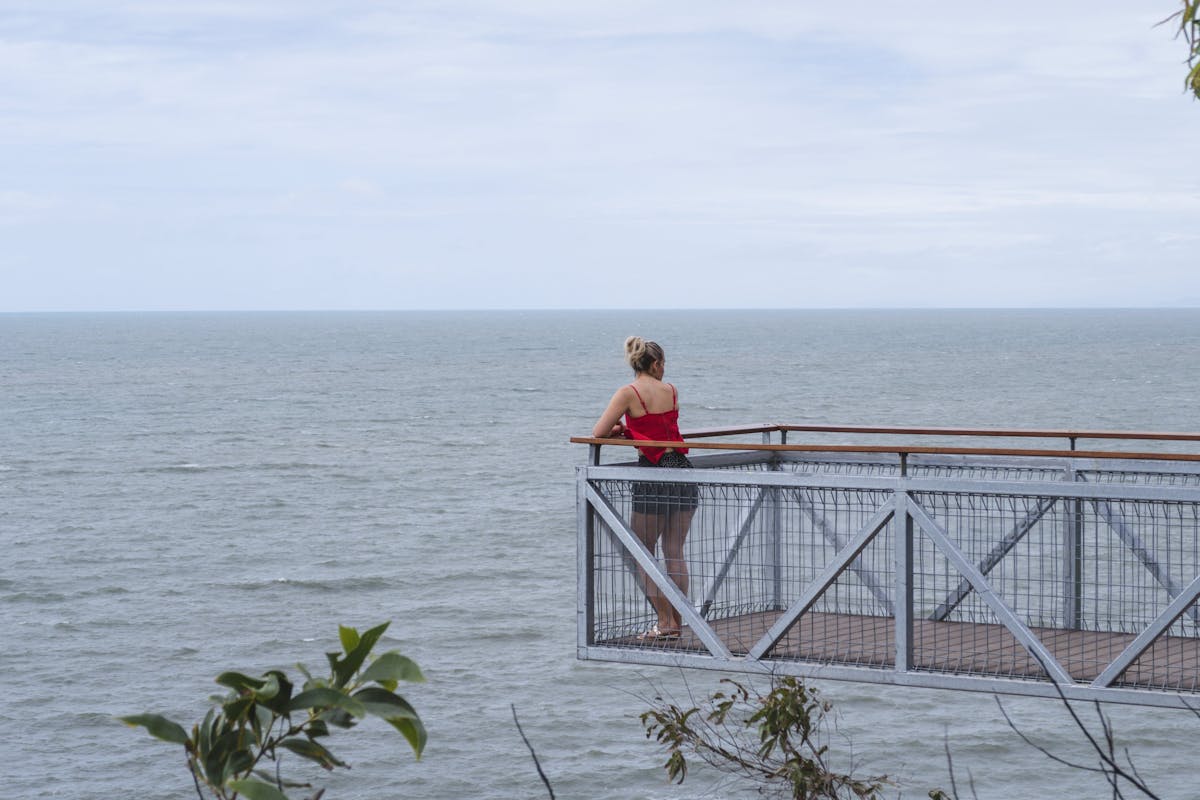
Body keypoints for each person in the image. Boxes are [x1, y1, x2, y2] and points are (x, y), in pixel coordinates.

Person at [592, 336, 699, 640]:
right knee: (674, 551)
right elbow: (663, 426)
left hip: (652, 472)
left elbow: (598, 433)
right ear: (656, 364)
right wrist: (634, 430)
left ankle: (665, 623)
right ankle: (677, 621)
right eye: (663, 364)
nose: (665, 370)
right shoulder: (671, 391)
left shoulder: (629, 393)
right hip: (681, 470)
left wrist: (622, 431)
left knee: (642, 552)